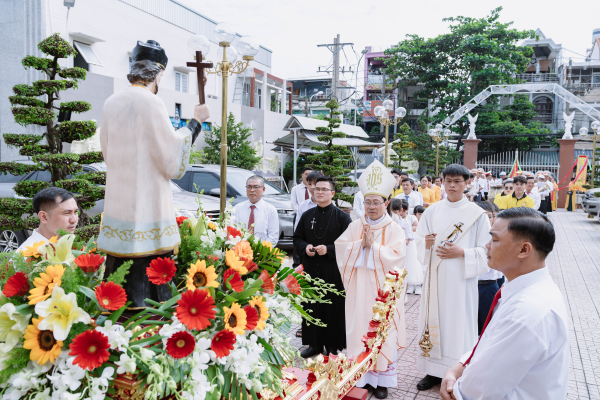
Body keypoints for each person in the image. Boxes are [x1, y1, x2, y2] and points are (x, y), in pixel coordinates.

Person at [98, 40, 210, 307]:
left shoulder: (111, 101)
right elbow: (170, 158)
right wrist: (195, 122)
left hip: (118, 202)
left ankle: (114, 315)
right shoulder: (152, 102)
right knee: (148, 277)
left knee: (118, 272)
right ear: (158, 73)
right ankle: (149, 316)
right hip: (147, 201)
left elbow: (106, 151)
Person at [440, 208, 569, 400]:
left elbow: (474, 391)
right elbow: (490, 343)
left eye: (495, 239)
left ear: (524, 250)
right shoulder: (524, 288)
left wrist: (455, 388)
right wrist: (459, 368)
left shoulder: (526, 312)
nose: (487, 245)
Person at [415, 164, 491, 391]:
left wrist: (463, 253)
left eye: (458, 181)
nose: (452, 185)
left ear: (467, 183)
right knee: (433, 319)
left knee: (458, 323)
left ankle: (456, 371)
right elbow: (419, 242)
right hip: (435, 279)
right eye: (448, 180)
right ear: (442, 182)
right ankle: (431, 371)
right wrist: (425, 245)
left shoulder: (477, 215)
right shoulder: (432, 211)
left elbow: (487, 250)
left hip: (461, 280)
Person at [335, 161, 407, 399]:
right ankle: (361, 378)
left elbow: (398, 258)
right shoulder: (356, 226)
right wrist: (360, 246)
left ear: (386, 203)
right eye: (368, 202)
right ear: (362, 203)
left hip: (382, 293)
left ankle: (383, 381)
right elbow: (341, 248)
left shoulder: (394, 229)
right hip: (357, 290)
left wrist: (372, 247)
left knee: (382, 333)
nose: (372, 207)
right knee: (358, 332)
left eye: (377, 202)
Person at [294, 176, 352, 358]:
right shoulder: (307, 215)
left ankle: (334, 346)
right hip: (311, 269)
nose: (319, 192)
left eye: (323, 189)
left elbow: (349, 244)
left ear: (332, 193)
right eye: (316, 189)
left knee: (333, 307)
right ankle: (314, 345)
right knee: (311, 305)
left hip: (332, 271)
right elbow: (297, 239)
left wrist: (328, 249)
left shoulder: (343, 217)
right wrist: (306, 248)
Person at [17, 188, 79, 252]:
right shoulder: (27, 255)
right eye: (67, 213)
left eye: (75, 212)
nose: (74, 220)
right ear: (44, 217)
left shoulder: (70, 245)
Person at [474, 201, 503, 335]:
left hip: (488, 286)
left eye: (490, 216)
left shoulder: (497, 236)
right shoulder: (472, 235)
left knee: (487, 328)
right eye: (484, 216)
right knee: (472, 327)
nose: (488, 219)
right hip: (472, 286)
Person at [233, 175, 279, 245]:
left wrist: (261, 251)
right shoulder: (237, 208)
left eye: (256, 187)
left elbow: (273, 236)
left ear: (263, 189)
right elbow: (232, 232)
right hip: (240, 251)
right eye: (249, 187)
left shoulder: (270, 210)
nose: (252, 190)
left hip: (261, 252)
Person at [390, 199, 423, 297]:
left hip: (404, 250)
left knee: (405, 272)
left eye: (396, 212)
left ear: (400, 211)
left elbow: (407, 240)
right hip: (393, 251)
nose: (394, 215)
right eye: (392, 212)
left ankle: (404, 294)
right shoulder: (390, 223)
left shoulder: (405, 223)